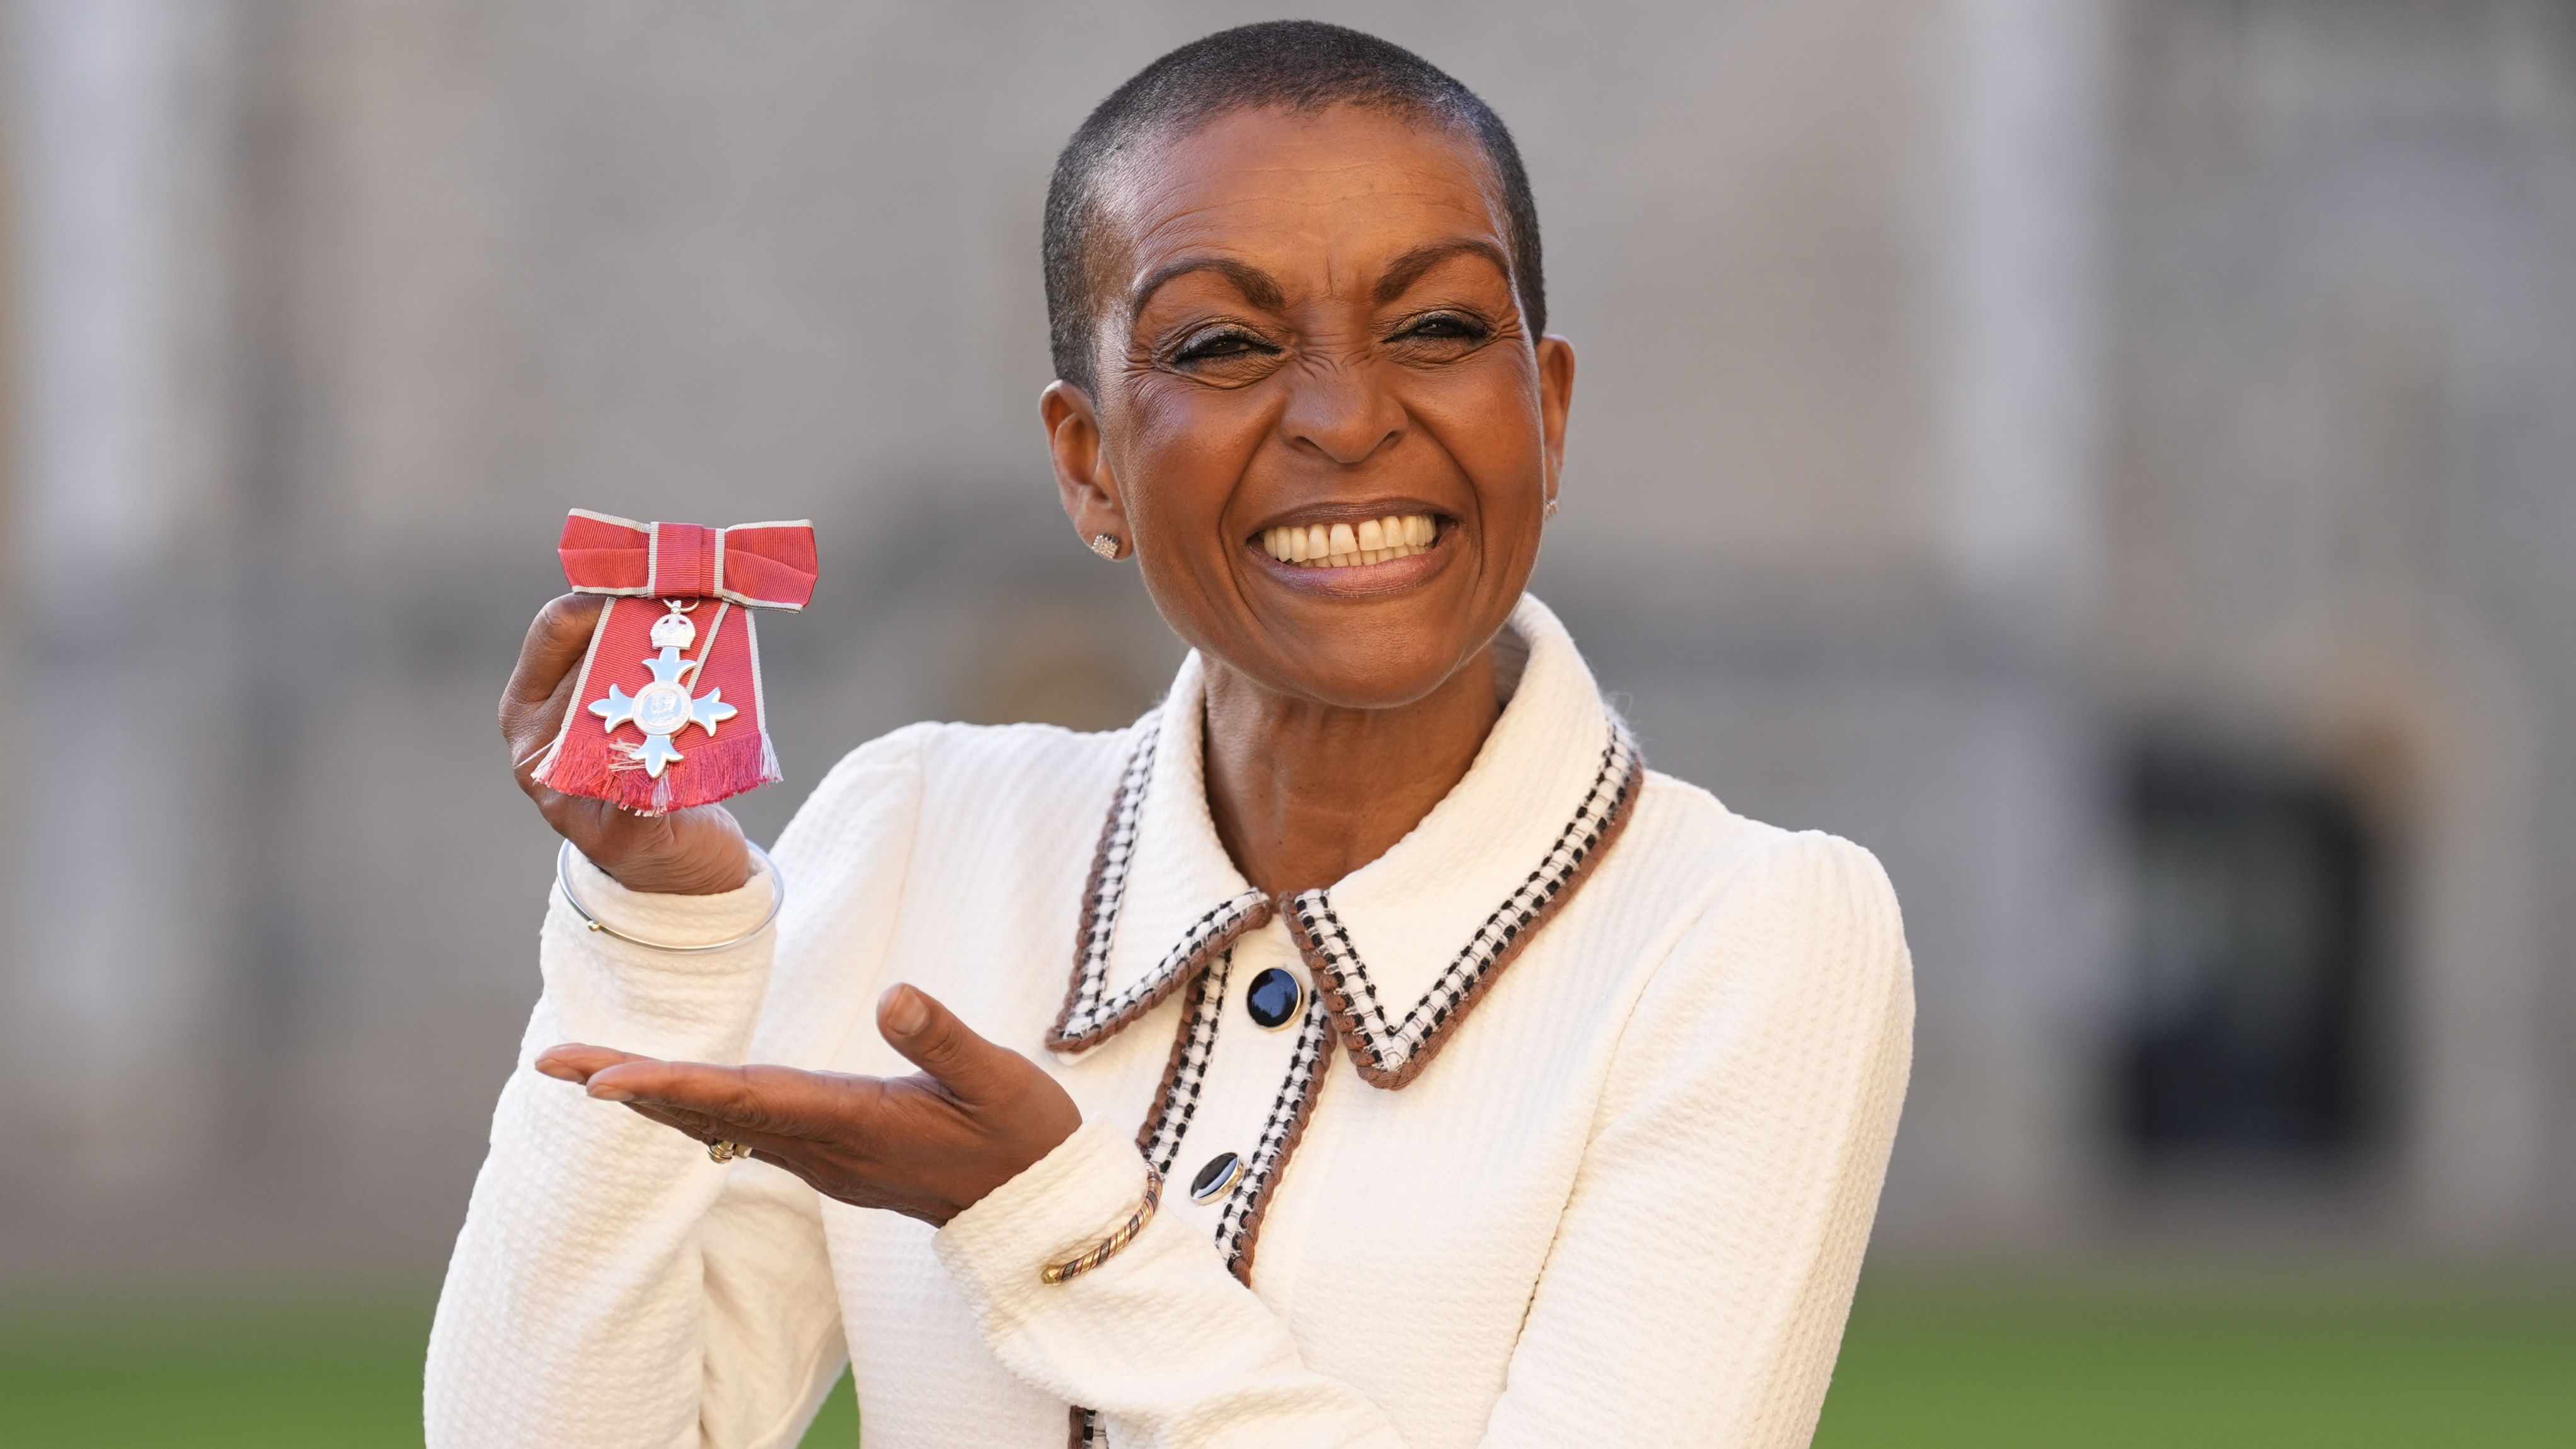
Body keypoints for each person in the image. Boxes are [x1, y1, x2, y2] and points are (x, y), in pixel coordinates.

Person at [427, 21, 1912, 1449]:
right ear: (1087, 468)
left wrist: (1055, 1225)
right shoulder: (917, 831)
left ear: (1548, 407)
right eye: (1221, 345)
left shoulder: (1747, 933)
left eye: (1439, 326)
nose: (1344, 415)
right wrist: (657, 939)